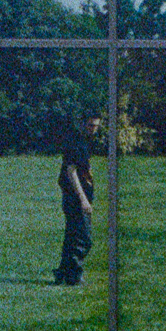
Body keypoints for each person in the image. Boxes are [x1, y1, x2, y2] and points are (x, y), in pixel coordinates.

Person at [53, 122, 95, 285]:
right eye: (90, 125)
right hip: (75, 198)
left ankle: (62, 273)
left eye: (96, 126)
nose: (93, 129)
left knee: (72, 236)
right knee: (84, 238)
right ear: (82, 124)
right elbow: (71, 171)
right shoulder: (75, 141)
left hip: (78, 196)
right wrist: (83, 198)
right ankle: (74, 275)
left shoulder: (83, 140)